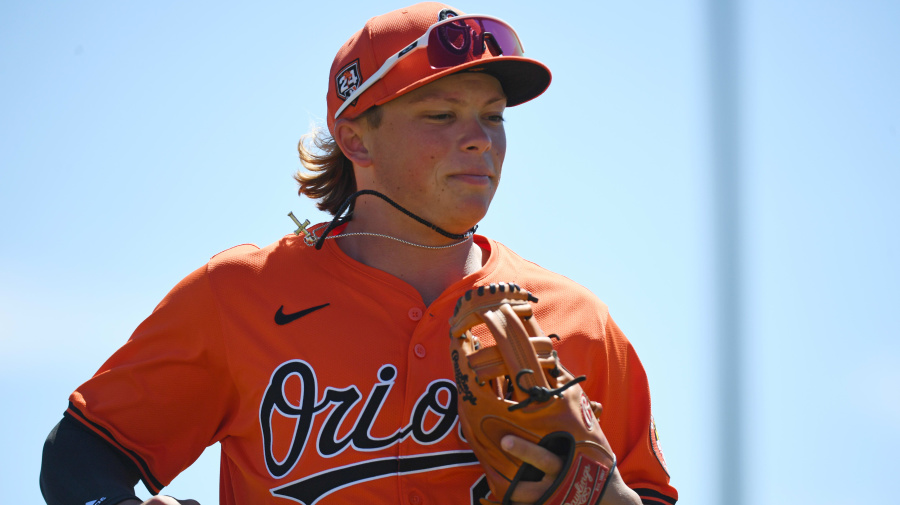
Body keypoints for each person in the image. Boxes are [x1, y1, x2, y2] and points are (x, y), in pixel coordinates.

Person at [40, 3, 677, 505]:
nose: (479, 139)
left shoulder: (576, 320)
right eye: (440, 114)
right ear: (354, 137)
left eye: (493, 116)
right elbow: (81, 456)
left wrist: (611, 500)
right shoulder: (237, 295)